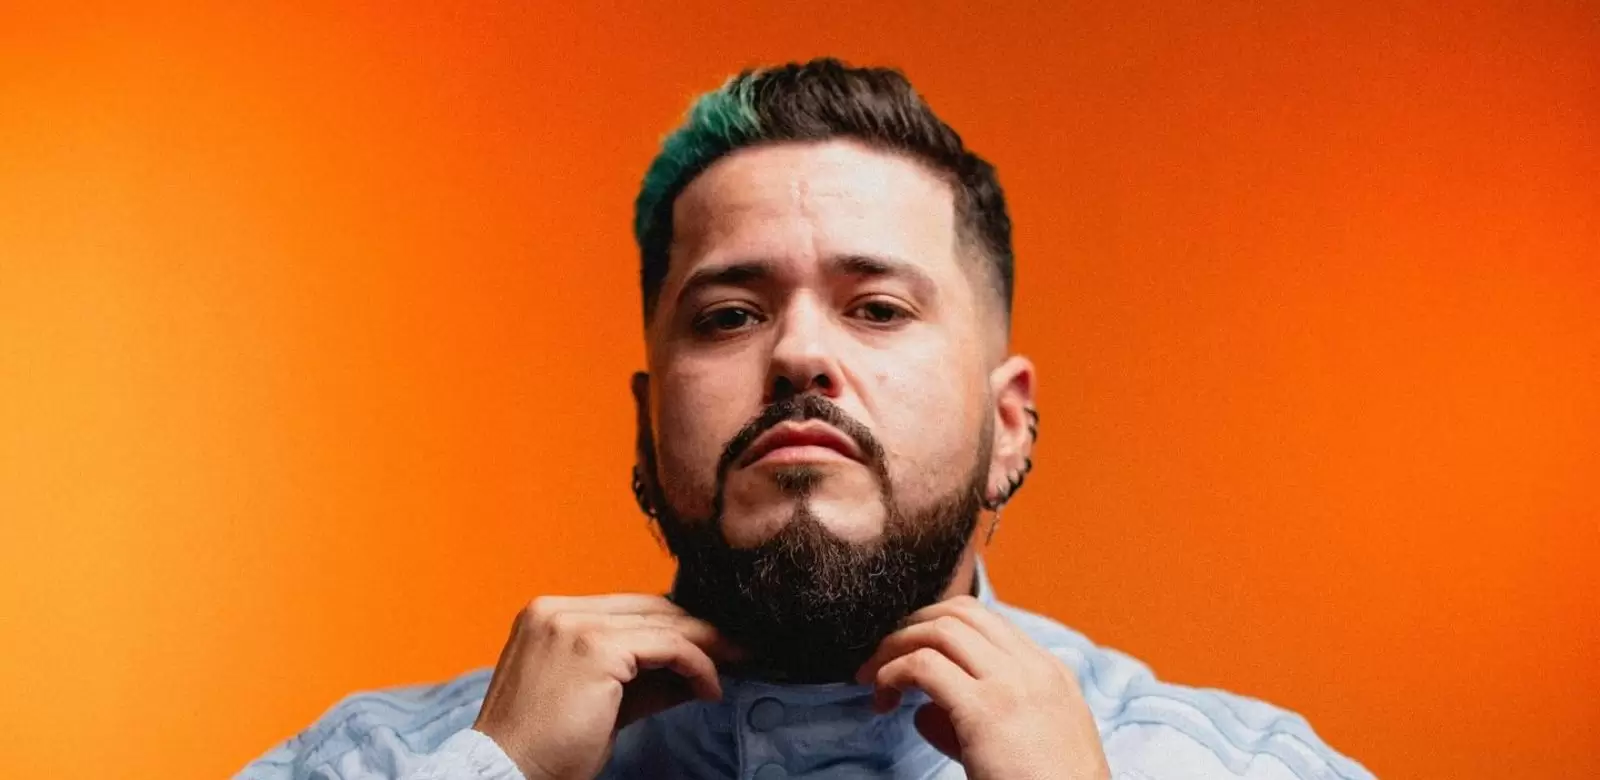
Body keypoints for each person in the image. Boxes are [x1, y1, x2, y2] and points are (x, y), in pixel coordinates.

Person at [238, 59, 1373, 780]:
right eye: (729, 316)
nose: (797, 354)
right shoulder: (374, 764)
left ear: (1009, 424)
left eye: (877, 308)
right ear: (646, 426)